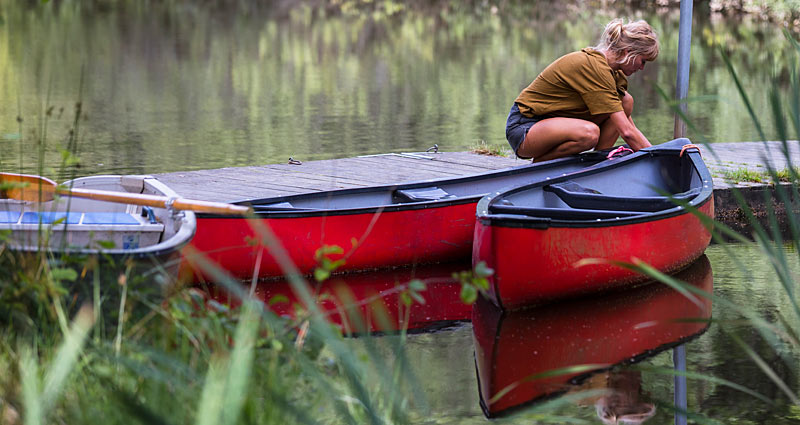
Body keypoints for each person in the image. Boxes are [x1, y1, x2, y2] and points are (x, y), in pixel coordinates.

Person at [506, 19, 659, 162]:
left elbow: (628, 127)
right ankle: (539, 166)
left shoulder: (614, 72)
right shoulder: (595, 68)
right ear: (628, 52)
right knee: (589, 133)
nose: (642, 68)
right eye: (643, 61)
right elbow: (626, 133)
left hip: (551, 125)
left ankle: (597, 164)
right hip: (524, 128)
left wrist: (657, 152)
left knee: (626, 101)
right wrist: (657, 161)